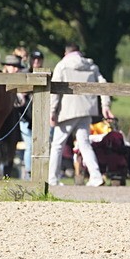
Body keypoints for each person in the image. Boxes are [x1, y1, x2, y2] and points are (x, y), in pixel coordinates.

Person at [49, 45, 114, 187]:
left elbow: (55, 92)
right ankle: (96, 177)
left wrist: (52, 111)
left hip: (67, 111)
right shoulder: (91, 66)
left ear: (66, 52)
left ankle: (52, 179)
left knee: (57, 145)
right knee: (84, 144)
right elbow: (104, 85)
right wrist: (105, 106)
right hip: (86, 110)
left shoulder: (62, 66)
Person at [0, 54, 29, 179]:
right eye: (13, 66)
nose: (16, 69)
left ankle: (7, 173)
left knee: (12, 144)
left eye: (17, 67)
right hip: (1, 117)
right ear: (7, 66)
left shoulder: (21, 79)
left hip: (16, 116)